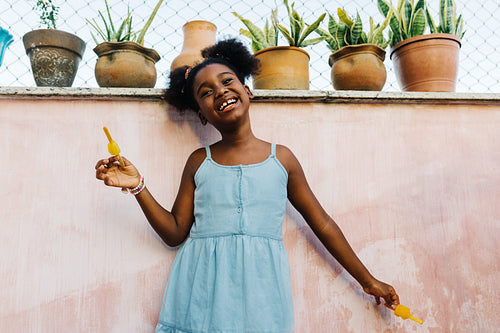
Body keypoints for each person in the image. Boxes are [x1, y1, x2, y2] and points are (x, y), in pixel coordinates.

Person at [95, 38, 399, 332]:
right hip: (199, 297)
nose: (221, 92)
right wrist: (138, 186)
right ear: (201, 114)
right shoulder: (199, 161)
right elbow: (174, 233)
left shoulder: (282, 159)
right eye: (206, 91)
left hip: (262, 298)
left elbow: (323, 224)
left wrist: (367, 279)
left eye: (228, 82)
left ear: (247, 90)